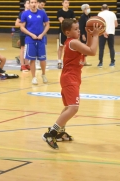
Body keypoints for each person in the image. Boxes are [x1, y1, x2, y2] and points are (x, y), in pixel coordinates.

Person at [42, 19, 102, 150]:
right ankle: (51, 133)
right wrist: (96, 35)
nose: (78, 30)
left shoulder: (75, 42)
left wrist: (90, 34)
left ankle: (60, 131)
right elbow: (92, 52)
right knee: (74, 108)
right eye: (76, 29)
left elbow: (87, 49)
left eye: (79, 28)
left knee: (69, 107)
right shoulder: (73, 42)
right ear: (67, 32)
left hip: (72, 77)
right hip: (70, 78)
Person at [20, 0, 50, 85]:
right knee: (32, 59)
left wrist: (42, 34)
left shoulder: (42, 13)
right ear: (29, 3)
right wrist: (31, 34)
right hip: (30, 39)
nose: (33, 4)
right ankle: (33, 77)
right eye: (31, 2)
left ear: (37, 3)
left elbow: (47, 25)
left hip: (41, 39)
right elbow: (22, 27)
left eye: (35, 2)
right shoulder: (25, 14)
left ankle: (43, 75)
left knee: (42, 59)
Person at [57, 0, 75, 69]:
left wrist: (66, 21)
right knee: (61, 46)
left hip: (70, 32)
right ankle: (59, 61)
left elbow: (73, 21)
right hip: (62, 31)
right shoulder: (60, 12)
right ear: (62, 3)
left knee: (69, 47)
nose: (67, 4)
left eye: (68, 3)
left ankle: (68, 61)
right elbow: (61, 21)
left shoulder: (71, 12)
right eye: (65, 3)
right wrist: (69, 20)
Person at [15, 0, 30, 72]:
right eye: (27, 3)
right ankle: (22, 65)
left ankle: (27, 64)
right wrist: (24, 24)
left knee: (28, 49)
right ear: (24, 4)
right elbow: (17, 23)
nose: (29, 4)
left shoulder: (31, 13)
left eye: (29, 3)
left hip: (30, 34)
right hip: (23, 33)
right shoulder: (22, 13)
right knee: (23, 49)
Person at [36, 0, 47, 70]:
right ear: (38, 3)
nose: (43, 6)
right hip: (35, 31)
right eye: (42, 5)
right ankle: (36, 63)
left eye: (44, 5)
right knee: (36, 47)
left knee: (43, 47)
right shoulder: (34, 11)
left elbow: (46, 21)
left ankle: (43, 63)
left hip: (43, 31)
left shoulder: (43, 11)